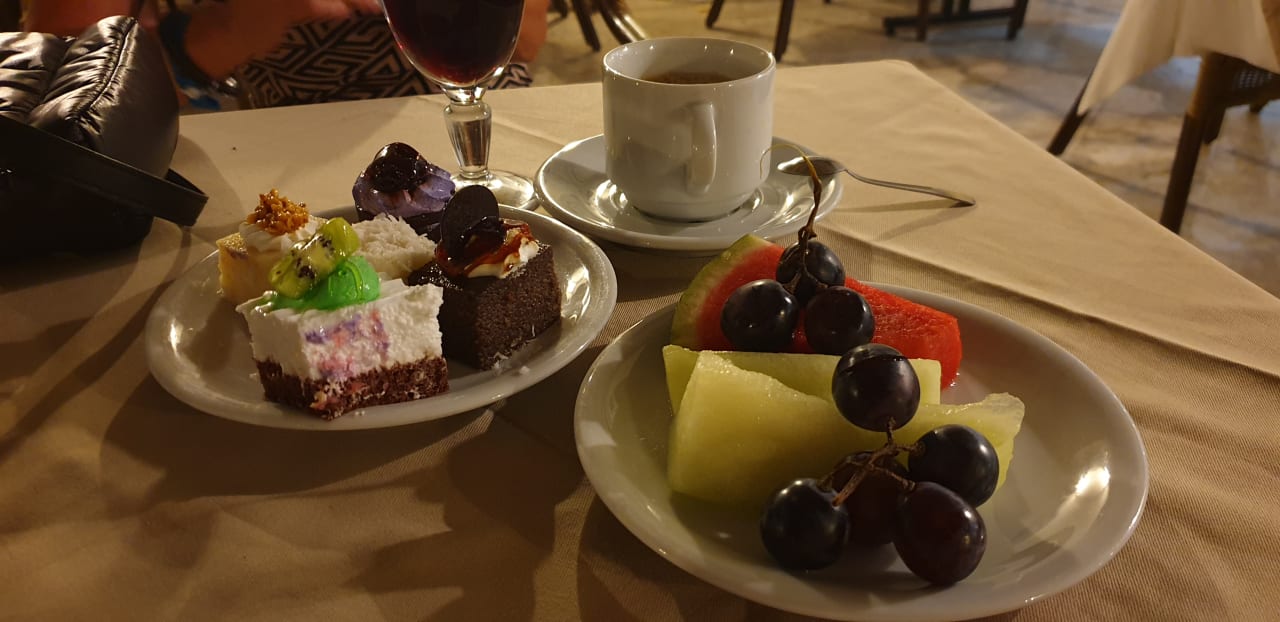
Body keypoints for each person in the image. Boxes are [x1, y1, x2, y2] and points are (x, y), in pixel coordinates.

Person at [22, 0, 551, 109]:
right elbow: (55, 90)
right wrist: (228, 33)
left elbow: (523, 41)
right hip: (274, 153)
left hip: (490, 113)